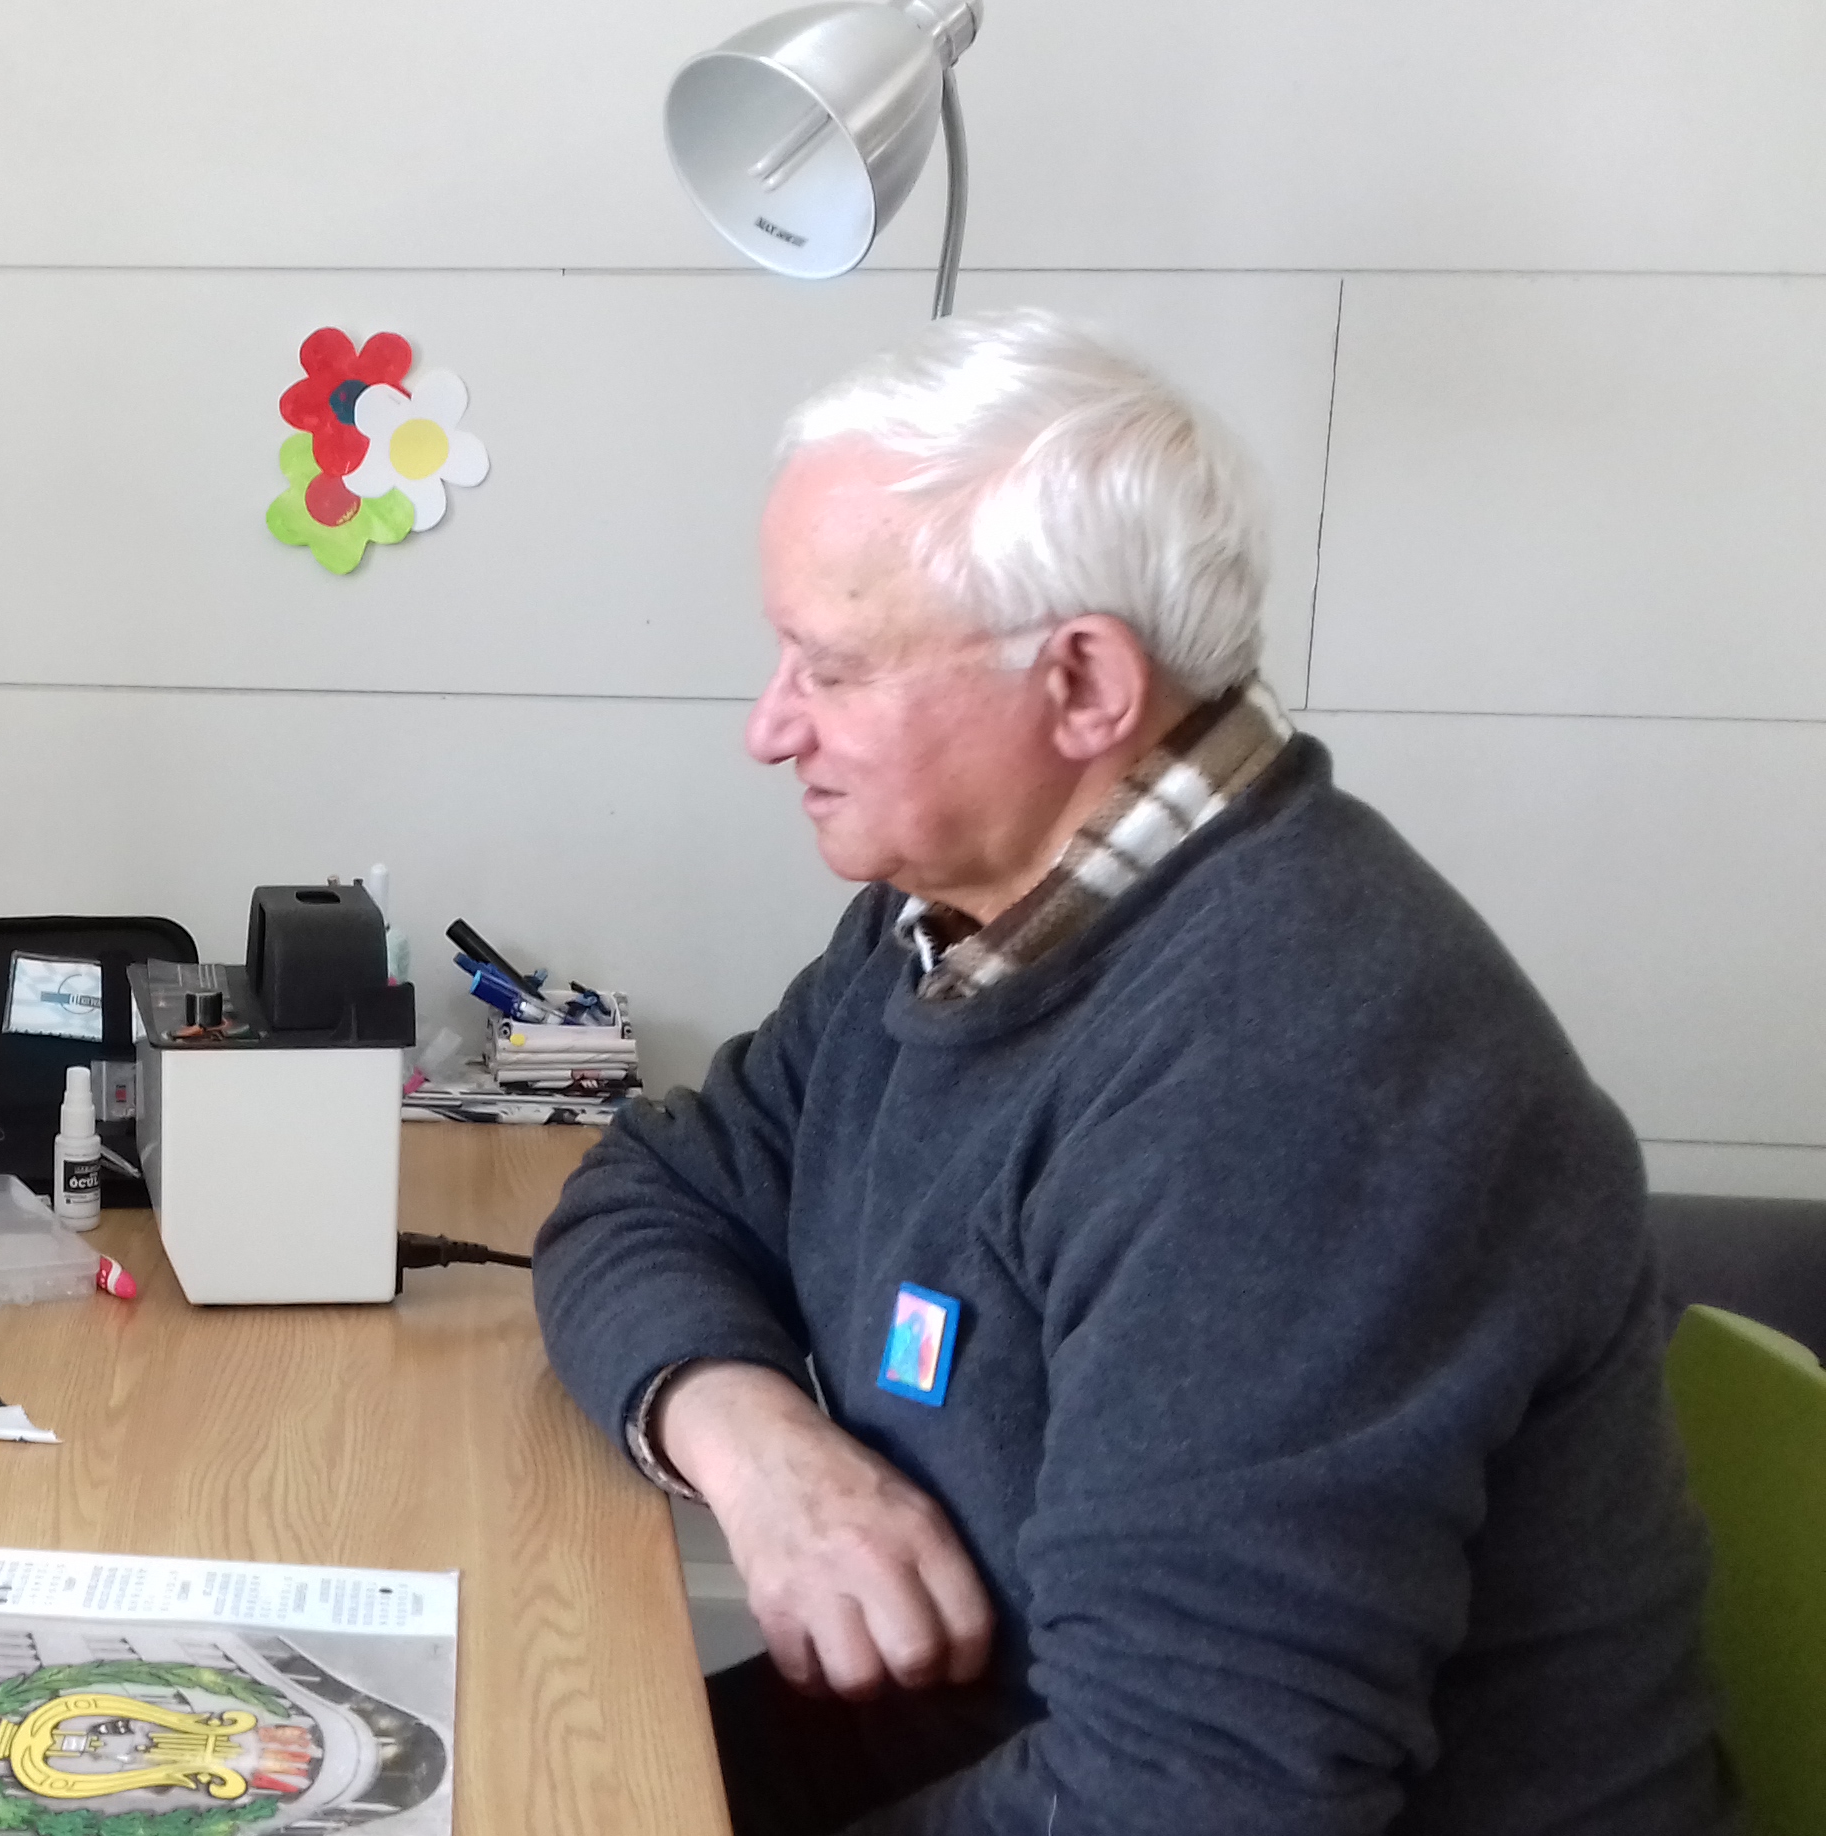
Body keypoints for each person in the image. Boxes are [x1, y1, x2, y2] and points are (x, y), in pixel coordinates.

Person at [533, 310, 1731, 1833]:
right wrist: (765, 1452)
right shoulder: (948, 924)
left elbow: (1197, 1801)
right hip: (986, 1748)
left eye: (831, 670)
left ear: (1085, 685)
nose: (769, 730)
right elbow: (647, 1193)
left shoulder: (1295, 1072)